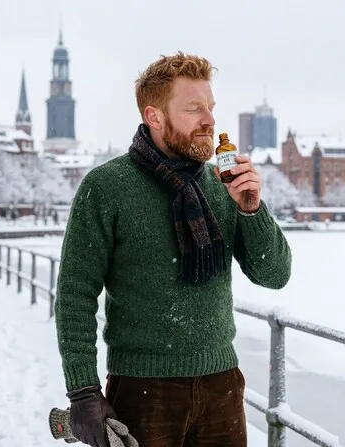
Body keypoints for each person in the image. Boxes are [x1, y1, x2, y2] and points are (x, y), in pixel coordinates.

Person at [54, 52, 292, 447]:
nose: (210, 120)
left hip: (223, 386)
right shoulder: (106, 187)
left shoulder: (222, 184)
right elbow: (75, 294)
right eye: (194, 109)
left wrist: (252, 209)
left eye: (211, 108)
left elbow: (275, 274)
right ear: (155, 116)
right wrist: (83, 391)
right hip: (143, 391)